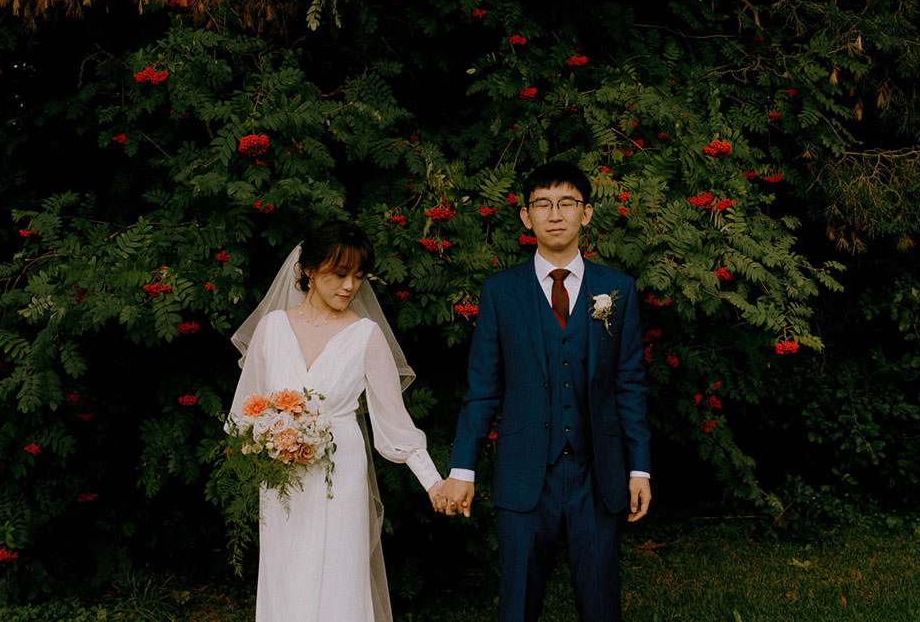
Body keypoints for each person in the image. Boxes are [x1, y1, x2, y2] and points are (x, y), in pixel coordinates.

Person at [439, 161, 652, 622]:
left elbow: (629, 384)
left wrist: (640, 469)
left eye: (567, 203)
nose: (555, 214)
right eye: (543, 204)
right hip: (524, 474)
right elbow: (482, 388)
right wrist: (462, 469)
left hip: (598, 477)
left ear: (587, 213)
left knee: (601, 606)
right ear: (526, 217)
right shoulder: (500, 292)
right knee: (516, 606)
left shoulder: (618, 290)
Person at [229, 221, 450, 622]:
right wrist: (262, 447)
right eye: (339, 274)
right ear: (309, 270)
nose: (349, 287)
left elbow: (394, 423)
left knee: (339, 573)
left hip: (341, 474)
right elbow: (246, 411)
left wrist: (434, 483)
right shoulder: (272, 328)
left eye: (359, 276)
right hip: (282, 478)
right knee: (287, 570)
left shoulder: (366, 335)